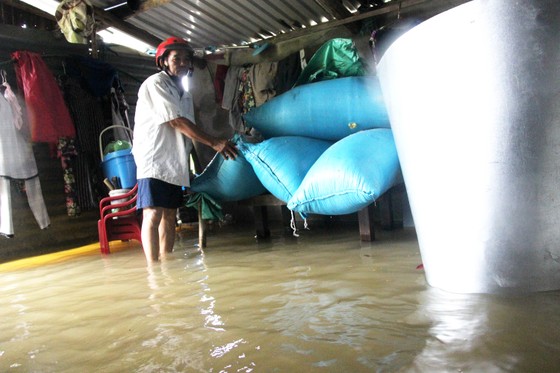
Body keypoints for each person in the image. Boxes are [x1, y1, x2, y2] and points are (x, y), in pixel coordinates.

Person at [132, 36, 237, 264]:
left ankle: (166, 265)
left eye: (186, 59)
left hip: (175, 162)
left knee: (170, 215)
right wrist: (215, 142)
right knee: (153, 213)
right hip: (154, 159)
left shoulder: (185, 95)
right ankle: (153, 269)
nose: (182, 63)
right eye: (176, 58)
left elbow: (188, 132)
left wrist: (194, 164)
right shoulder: (155, 84)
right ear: (163, 62)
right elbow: (176, 122)